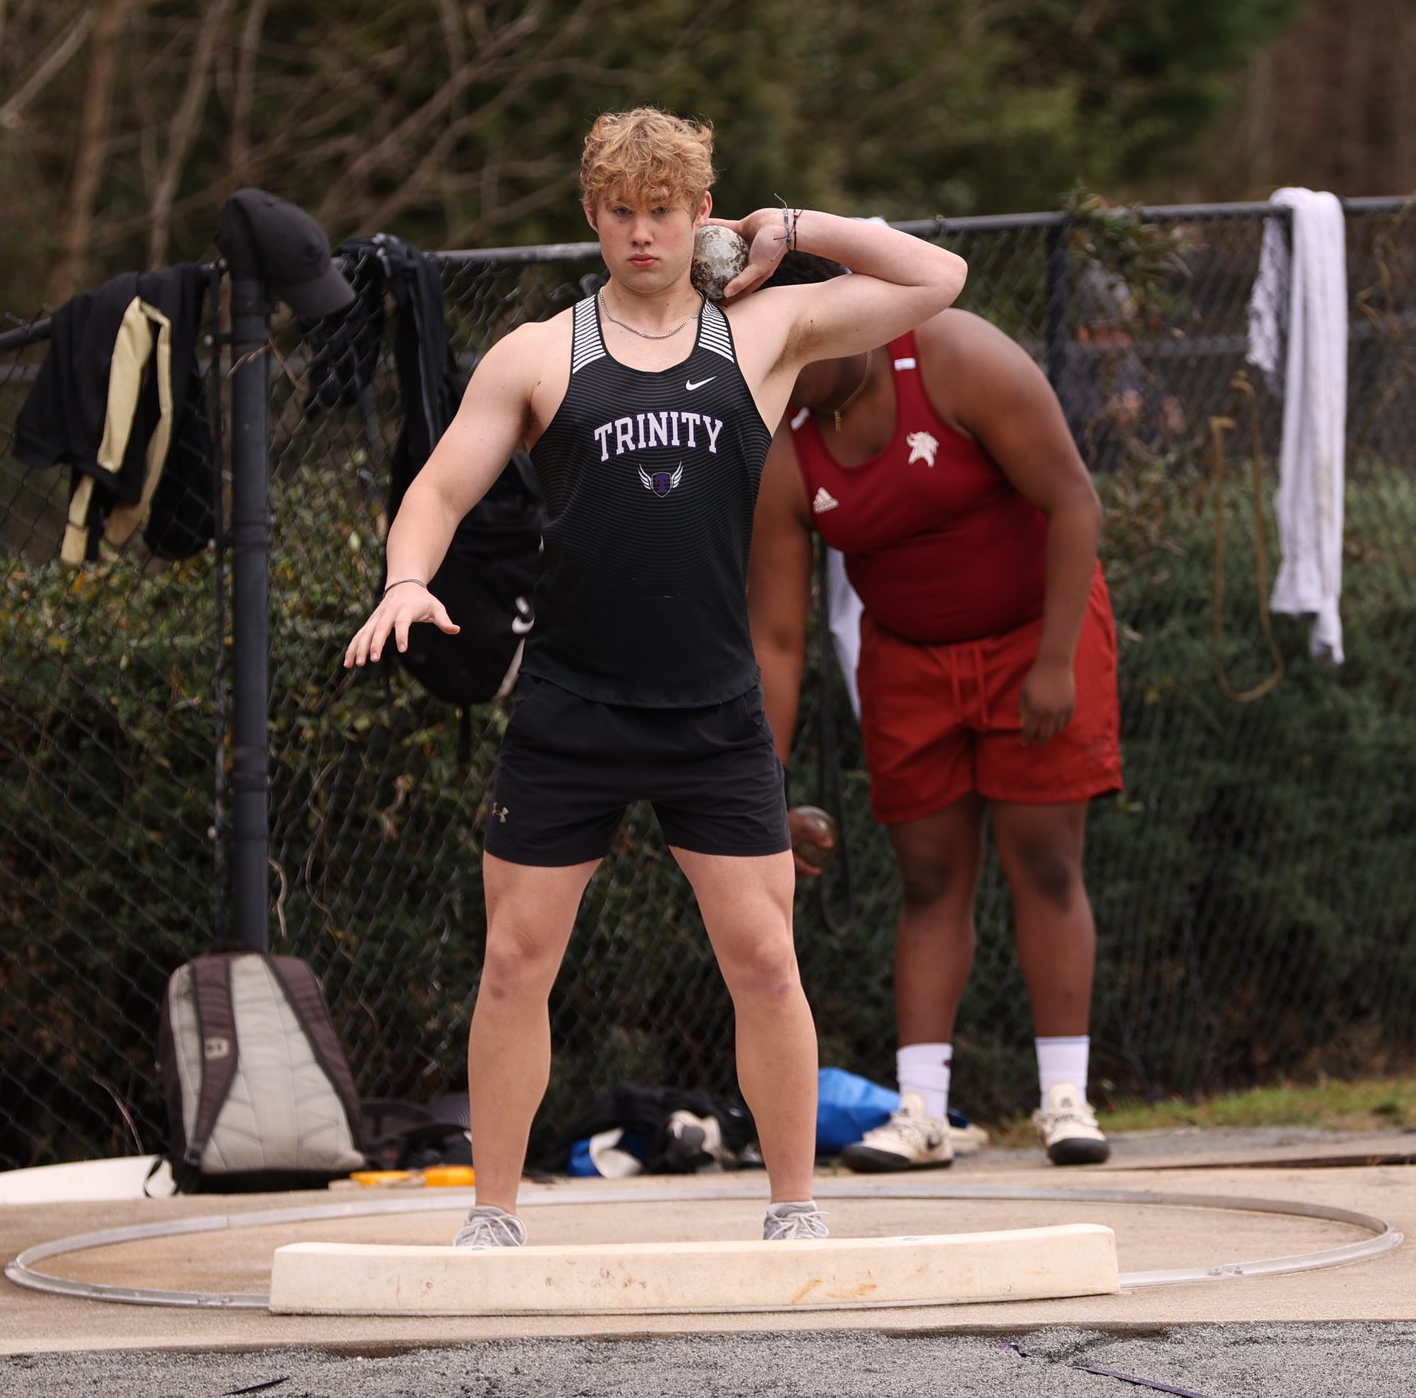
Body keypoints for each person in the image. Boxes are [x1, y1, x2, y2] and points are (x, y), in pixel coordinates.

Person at [344, 108, 966, 1246]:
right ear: (593, 215)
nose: (643, 232)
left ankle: (793, 1208)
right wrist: (404, 580)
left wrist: (791, 227)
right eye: (622, 210)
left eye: (665, 210)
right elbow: (435, 492)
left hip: (712, 711)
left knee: (766, 961)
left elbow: (939, 273)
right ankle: (493, 1215)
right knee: (514, 963)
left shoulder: (767, 332)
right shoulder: (538, 351)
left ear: (698, 216)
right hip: (571, 705)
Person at [747, 306, 1121, 1170]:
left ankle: (1065, 1097)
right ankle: (923, 1111)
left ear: (850, 315)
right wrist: (758, 779)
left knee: (1047, 861)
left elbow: (1073, 500)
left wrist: (1057, 660)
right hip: (908, 663)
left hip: (1036, 634)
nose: (788, 365)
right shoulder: (782, 443)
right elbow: (776, 636)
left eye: (805, 341)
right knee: (928, 879)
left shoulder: (955, 355)